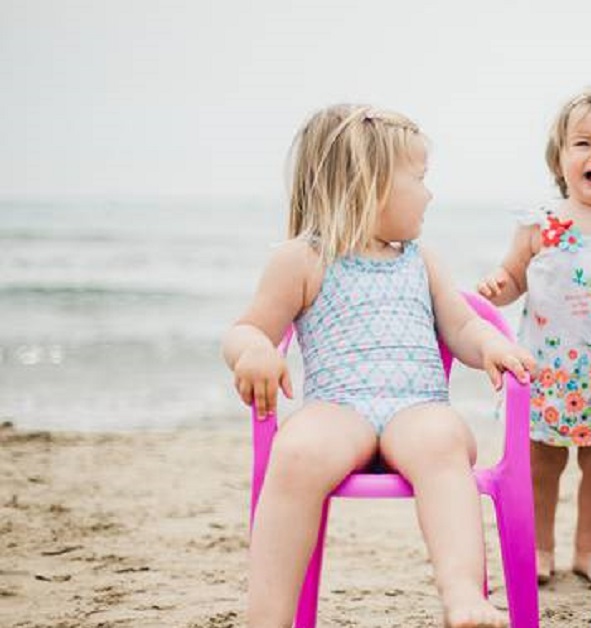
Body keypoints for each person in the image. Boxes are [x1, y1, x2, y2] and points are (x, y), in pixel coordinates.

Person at [222, 104, 534, 628]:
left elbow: (461, 327)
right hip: (337, 408)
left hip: (417, 408)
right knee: (295, 452)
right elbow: (246, 328)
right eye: (419, 179)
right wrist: (252, 350)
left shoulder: (422, 260)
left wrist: (490, 346)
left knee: (442, 442)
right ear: (368, 184)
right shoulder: (301, 259)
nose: (430, 194)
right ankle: (267, 617)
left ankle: (462, 595)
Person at [476, 88, 591, 585]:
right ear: (560, 158)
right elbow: (514, 278)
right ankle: (540, 549)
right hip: (546, 376)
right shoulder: (539, 224)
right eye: (583, 143)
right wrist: (499, 285)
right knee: (542, 470)